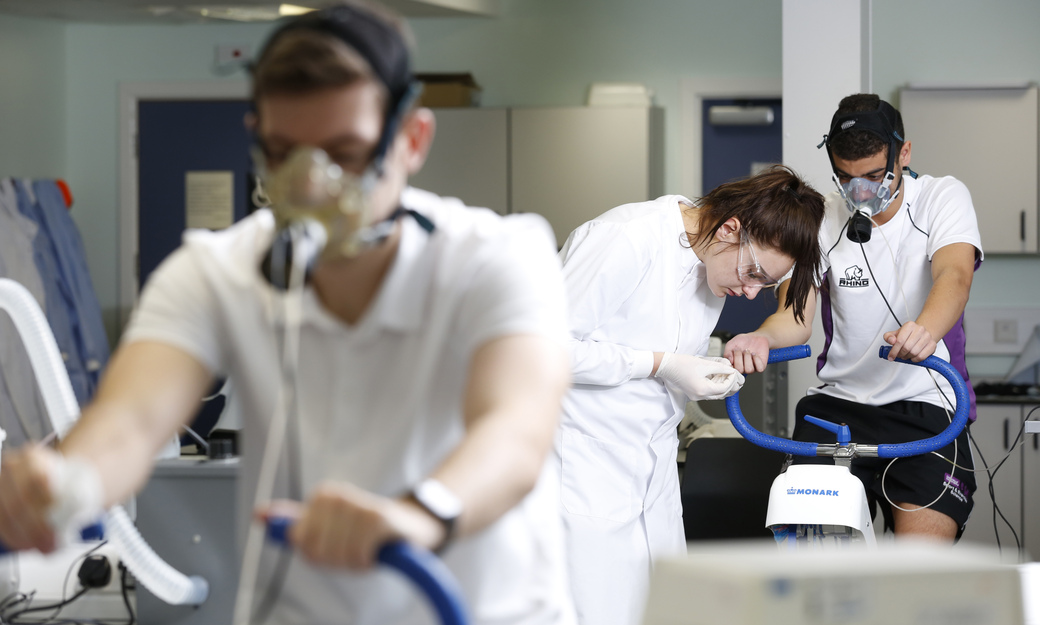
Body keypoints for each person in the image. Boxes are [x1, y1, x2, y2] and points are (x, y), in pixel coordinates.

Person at [0, 3, 578, 624]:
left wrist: (417, 514)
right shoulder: (218, 271)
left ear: (411, 140)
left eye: (345, 153)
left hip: (477, 607)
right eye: (283, 152)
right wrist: (65, 486)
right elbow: (132, 422)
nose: (310, 186)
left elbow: (515, 432)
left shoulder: (496, 257)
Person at [556, 166, 825, 625]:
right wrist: (664, 364)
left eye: (765, 284)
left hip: (652, 478)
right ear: (729, 228)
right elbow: (542, 350)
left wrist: (698, 373)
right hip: (582, 475)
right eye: (753, 273)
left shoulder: (710, 266)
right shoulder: (626, 237)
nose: (748, 291)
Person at [726, 94, 982, 543]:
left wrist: (924, 330)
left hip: (926, 401)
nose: (860, 191)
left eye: (873, 176)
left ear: (903, 153)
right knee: (815, 562)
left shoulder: (942, 197)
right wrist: (763, 338)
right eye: (846, 177)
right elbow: (794, 313)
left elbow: (955, 275)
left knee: (919, 567)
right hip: (838, 407)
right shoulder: (823, 218)